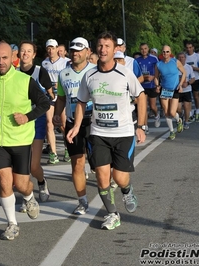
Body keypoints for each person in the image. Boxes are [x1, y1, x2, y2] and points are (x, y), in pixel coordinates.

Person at [66, 31, 147, 230]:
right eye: (100, 46)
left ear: (114, 50)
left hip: (124, 133)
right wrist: (76, 126)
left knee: (119, 178)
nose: (103, 50)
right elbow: (81, 102)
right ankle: (112, 213)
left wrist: (141, 126)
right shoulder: (89, 75)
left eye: (107, 46)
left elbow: (142, 96)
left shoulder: (125, 73)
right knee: (102, 176)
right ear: (96, 49)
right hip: (99, 133)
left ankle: (127, 190)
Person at [0, 41, 49, 240]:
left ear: (12, 58)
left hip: (21, 140)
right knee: (4, 182)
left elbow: (45, 103)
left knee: (22, 184)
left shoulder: (25, 81)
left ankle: (29, 197)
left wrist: (27, 117)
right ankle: (12, 224)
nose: (0, 61)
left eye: (4, 57)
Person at [53, 37, 96, 215]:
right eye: (72, 49)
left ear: (88, 52)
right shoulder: (63, 73)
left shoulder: (95, 71)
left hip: (94, 122)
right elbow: (62, 98)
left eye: (79, 49)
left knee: (98, 166)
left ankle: (107, 198)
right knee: (77, 164)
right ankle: (82, 201)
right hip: (72, 123)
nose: (75, 53)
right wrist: (57, 114)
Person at [17, 40, 54, 212]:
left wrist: (51, 116)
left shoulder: (40, 72)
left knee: (33, 166)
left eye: (28, 51)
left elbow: (50, 96)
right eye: (22, 51)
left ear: (33, 54)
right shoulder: (13, 73)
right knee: (21, 165)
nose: (25, 54)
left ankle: (41, 181)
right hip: (18, 122)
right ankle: (27, 197)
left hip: (36, 120)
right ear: (18, 54)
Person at [41, 39, 70, 164]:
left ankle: (68, 148)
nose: (50, 50)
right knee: (49, 123)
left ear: (57, 48)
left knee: (63, 124)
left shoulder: (65, 62)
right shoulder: (44, 63)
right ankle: (53, 153)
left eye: (52, 48)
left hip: (62, 96)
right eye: (48, 48)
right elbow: (42, 80)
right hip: (49, 95)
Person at [154, 45, 186, 140]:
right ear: (161, 53)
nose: (165, 54)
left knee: (172, 112)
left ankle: (178, 119)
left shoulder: (175, 62)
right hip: (164, 90)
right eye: (164, 52)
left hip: (174, 89)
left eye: (167, 52)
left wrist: (180, 84)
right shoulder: (159, 64)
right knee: (166, 111)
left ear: (170, 52)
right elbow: (156, 77)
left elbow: (184, 73)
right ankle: (172, 131)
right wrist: (157, 86)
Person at [136, 43, 161, 128]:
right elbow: (136, 73)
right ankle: (145, 126)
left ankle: (157, 115)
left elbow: (159, 71)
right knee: (144, 107)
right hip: (142, 86)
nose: (144, 50)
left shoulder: (154, 58)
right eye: (142, 49)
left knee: (152, 106)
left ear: (148, 49)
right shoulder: (137, 60)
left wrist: (153, 77)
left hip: (151, 85)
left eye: (145, 48)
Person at [185, 41, 199, 122]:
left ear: (193, 48)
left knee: (196, 96)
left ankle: (197, 111)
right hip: (187, 80)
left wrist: (194, 68)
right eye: (187, 48)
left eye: (190, 47)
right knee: (189, 98)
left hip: (196, 79)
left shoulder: (197, 56)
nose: (189, 49)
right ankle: (190, 113)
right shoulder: (184, 56)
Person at [177, 52, 195, 130]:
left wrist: (187, 83)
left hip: (187, 90)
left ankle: (186, 122)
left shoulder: (188, 67)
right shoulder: (175, 67)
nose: (181, 59)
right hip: (178, 90)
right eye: (179, 57)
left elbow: (193, 78)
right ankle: (181, 116)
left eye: (182, 57)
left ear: (185, 58)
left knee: (187, 107)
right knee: (178, 109)